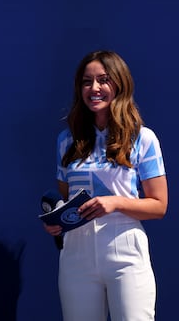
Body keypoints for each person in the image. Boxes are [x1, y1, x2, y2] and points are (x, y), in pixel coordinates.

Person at [44, 51, 168, 321]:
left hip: (124, 247)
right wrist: (56, 221)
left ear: (119, 84)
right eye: (87, 82)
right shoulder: (67, 140)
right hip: (76, 252)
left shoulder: (143, 138)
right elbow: (65, 201)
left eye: (103, 80)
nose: (94, 88)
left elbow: (159, 206)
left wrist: (114, 203)